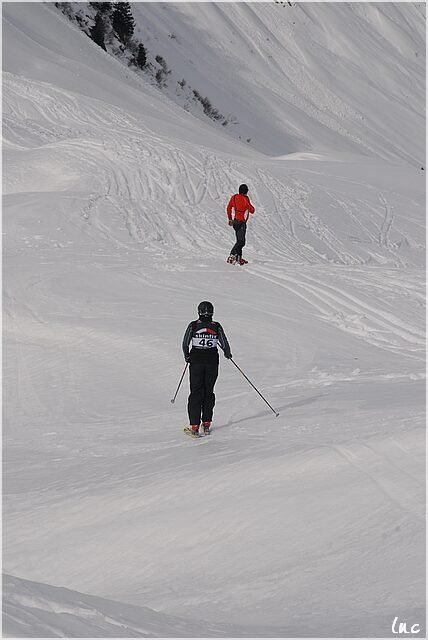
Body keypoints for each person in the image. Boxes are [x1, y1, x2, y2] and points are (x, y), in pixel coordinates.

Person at [182, 301, 232, 436]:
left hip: (196, 362)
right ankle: (206, 424)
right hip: (212, 362)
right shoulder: (216, 326)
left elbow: (185, 343)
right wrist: (227, 353)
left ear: (199, 311)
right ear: (212, 312)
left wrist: (187, 356)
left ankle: (194, 426)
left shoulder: (193, 325)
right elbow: (224, 342)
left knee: (196, 392)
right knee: (208, 391)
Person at [226, 184, 255, 265]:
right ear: (246, 191)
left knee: (239, 240)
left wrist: (230, 219)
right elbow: (252, 210)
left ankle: (239, 258)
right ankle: (232, 256)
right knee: (241, 242)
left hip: (235, 222)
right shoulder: (245, 199)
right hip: (241, 223)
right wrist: (248, 205)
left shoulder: (234, 197)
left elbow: (228, 208)